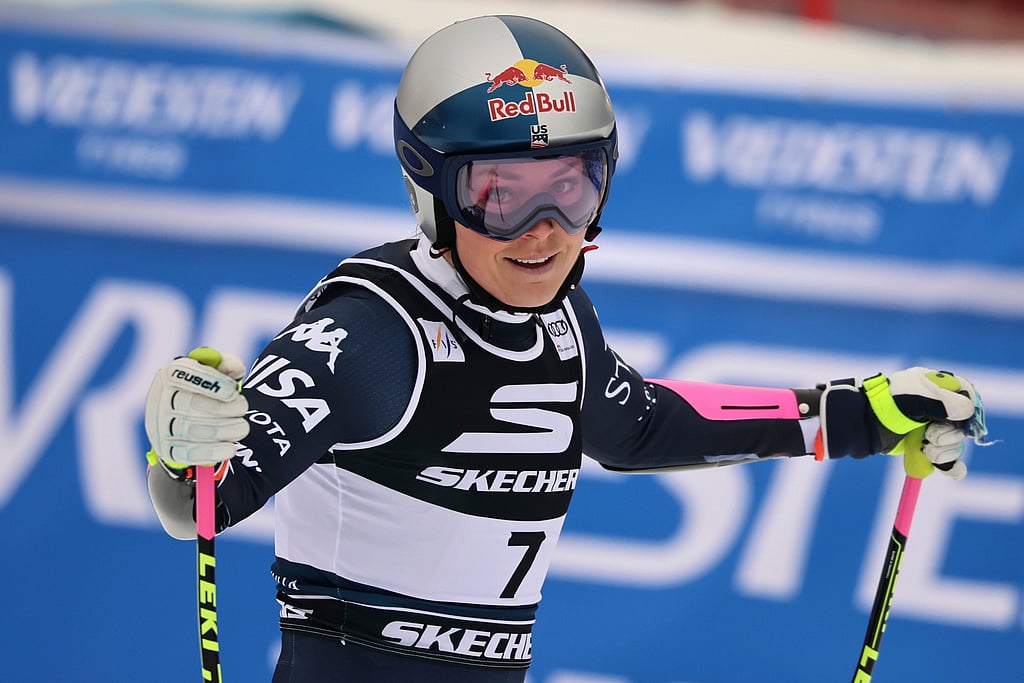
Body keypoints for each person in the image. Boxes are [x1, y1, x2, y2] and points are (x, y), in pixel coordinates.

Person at [144, 14, 988, 683]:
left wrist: (854, 412)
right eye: (501, 194)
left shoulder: (561, 322)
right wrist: (187, 435)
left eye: (572, 188)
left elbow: (643, 424)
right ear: (430, 192)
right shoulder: (374, 327)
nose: (544, 234)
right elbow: (205, 495)